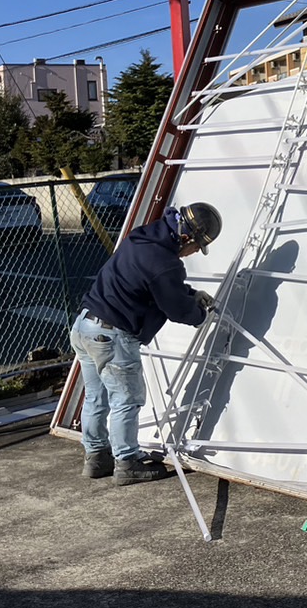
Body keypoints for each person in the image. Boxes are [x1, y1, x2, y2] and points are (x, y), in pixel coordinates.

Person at [70, 201, 223, 484]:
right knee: (126, 399)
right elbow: (176, 308)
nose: (192, 254)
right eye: (196, 247)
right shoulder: (166, 263)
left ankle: (96, 458)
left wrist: (189, 293)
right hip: (112, 335)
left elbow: (152, 284)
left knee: (96, 396)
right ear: (187, 237)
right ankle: (127, 463)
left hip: (85, 326)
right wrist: (199, 313)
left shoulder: (142, 238)